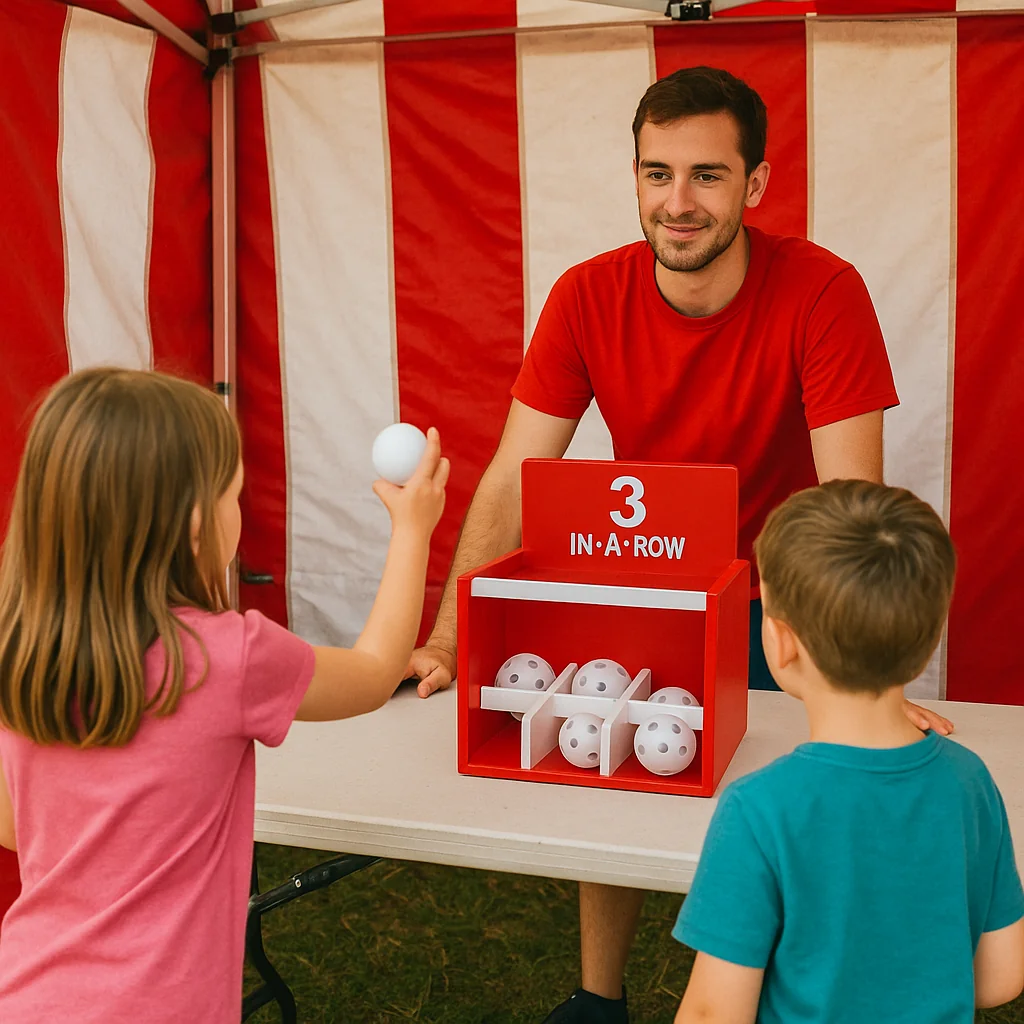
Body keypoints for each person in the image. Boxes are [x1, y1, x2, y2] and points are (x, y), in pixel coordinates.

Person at [405, 66, 957, 1023]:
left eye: (707, 176)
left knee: (815, 791)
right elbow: (510, 477)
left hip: (785, 594)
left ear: (756, 185)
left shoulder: (822, 289)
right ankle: (598, 995)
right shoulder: (586, 294)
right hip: (646, 576)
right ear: (634, 179)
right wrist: (451, 638)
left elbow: (850, 502)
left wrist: (871, 682)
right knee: (607, 763)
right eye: (658, 174)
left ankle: (796, 987)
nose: (679, 201)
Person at [0, 367, 448, 1023]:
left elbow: (15, 830)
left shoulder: (18, 647)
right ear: (191, 523)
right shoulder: (229, 657)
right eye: (233, 496)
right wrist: (414, 528)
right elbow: (375, 672)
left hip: (29, 992)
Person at [674, 479, 1024, 1023]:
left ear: (781, 642)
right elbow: (1000, 979)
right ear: (927, 641)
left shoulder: (759, 809)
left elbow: (712, 1014)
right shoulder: (971, 781)